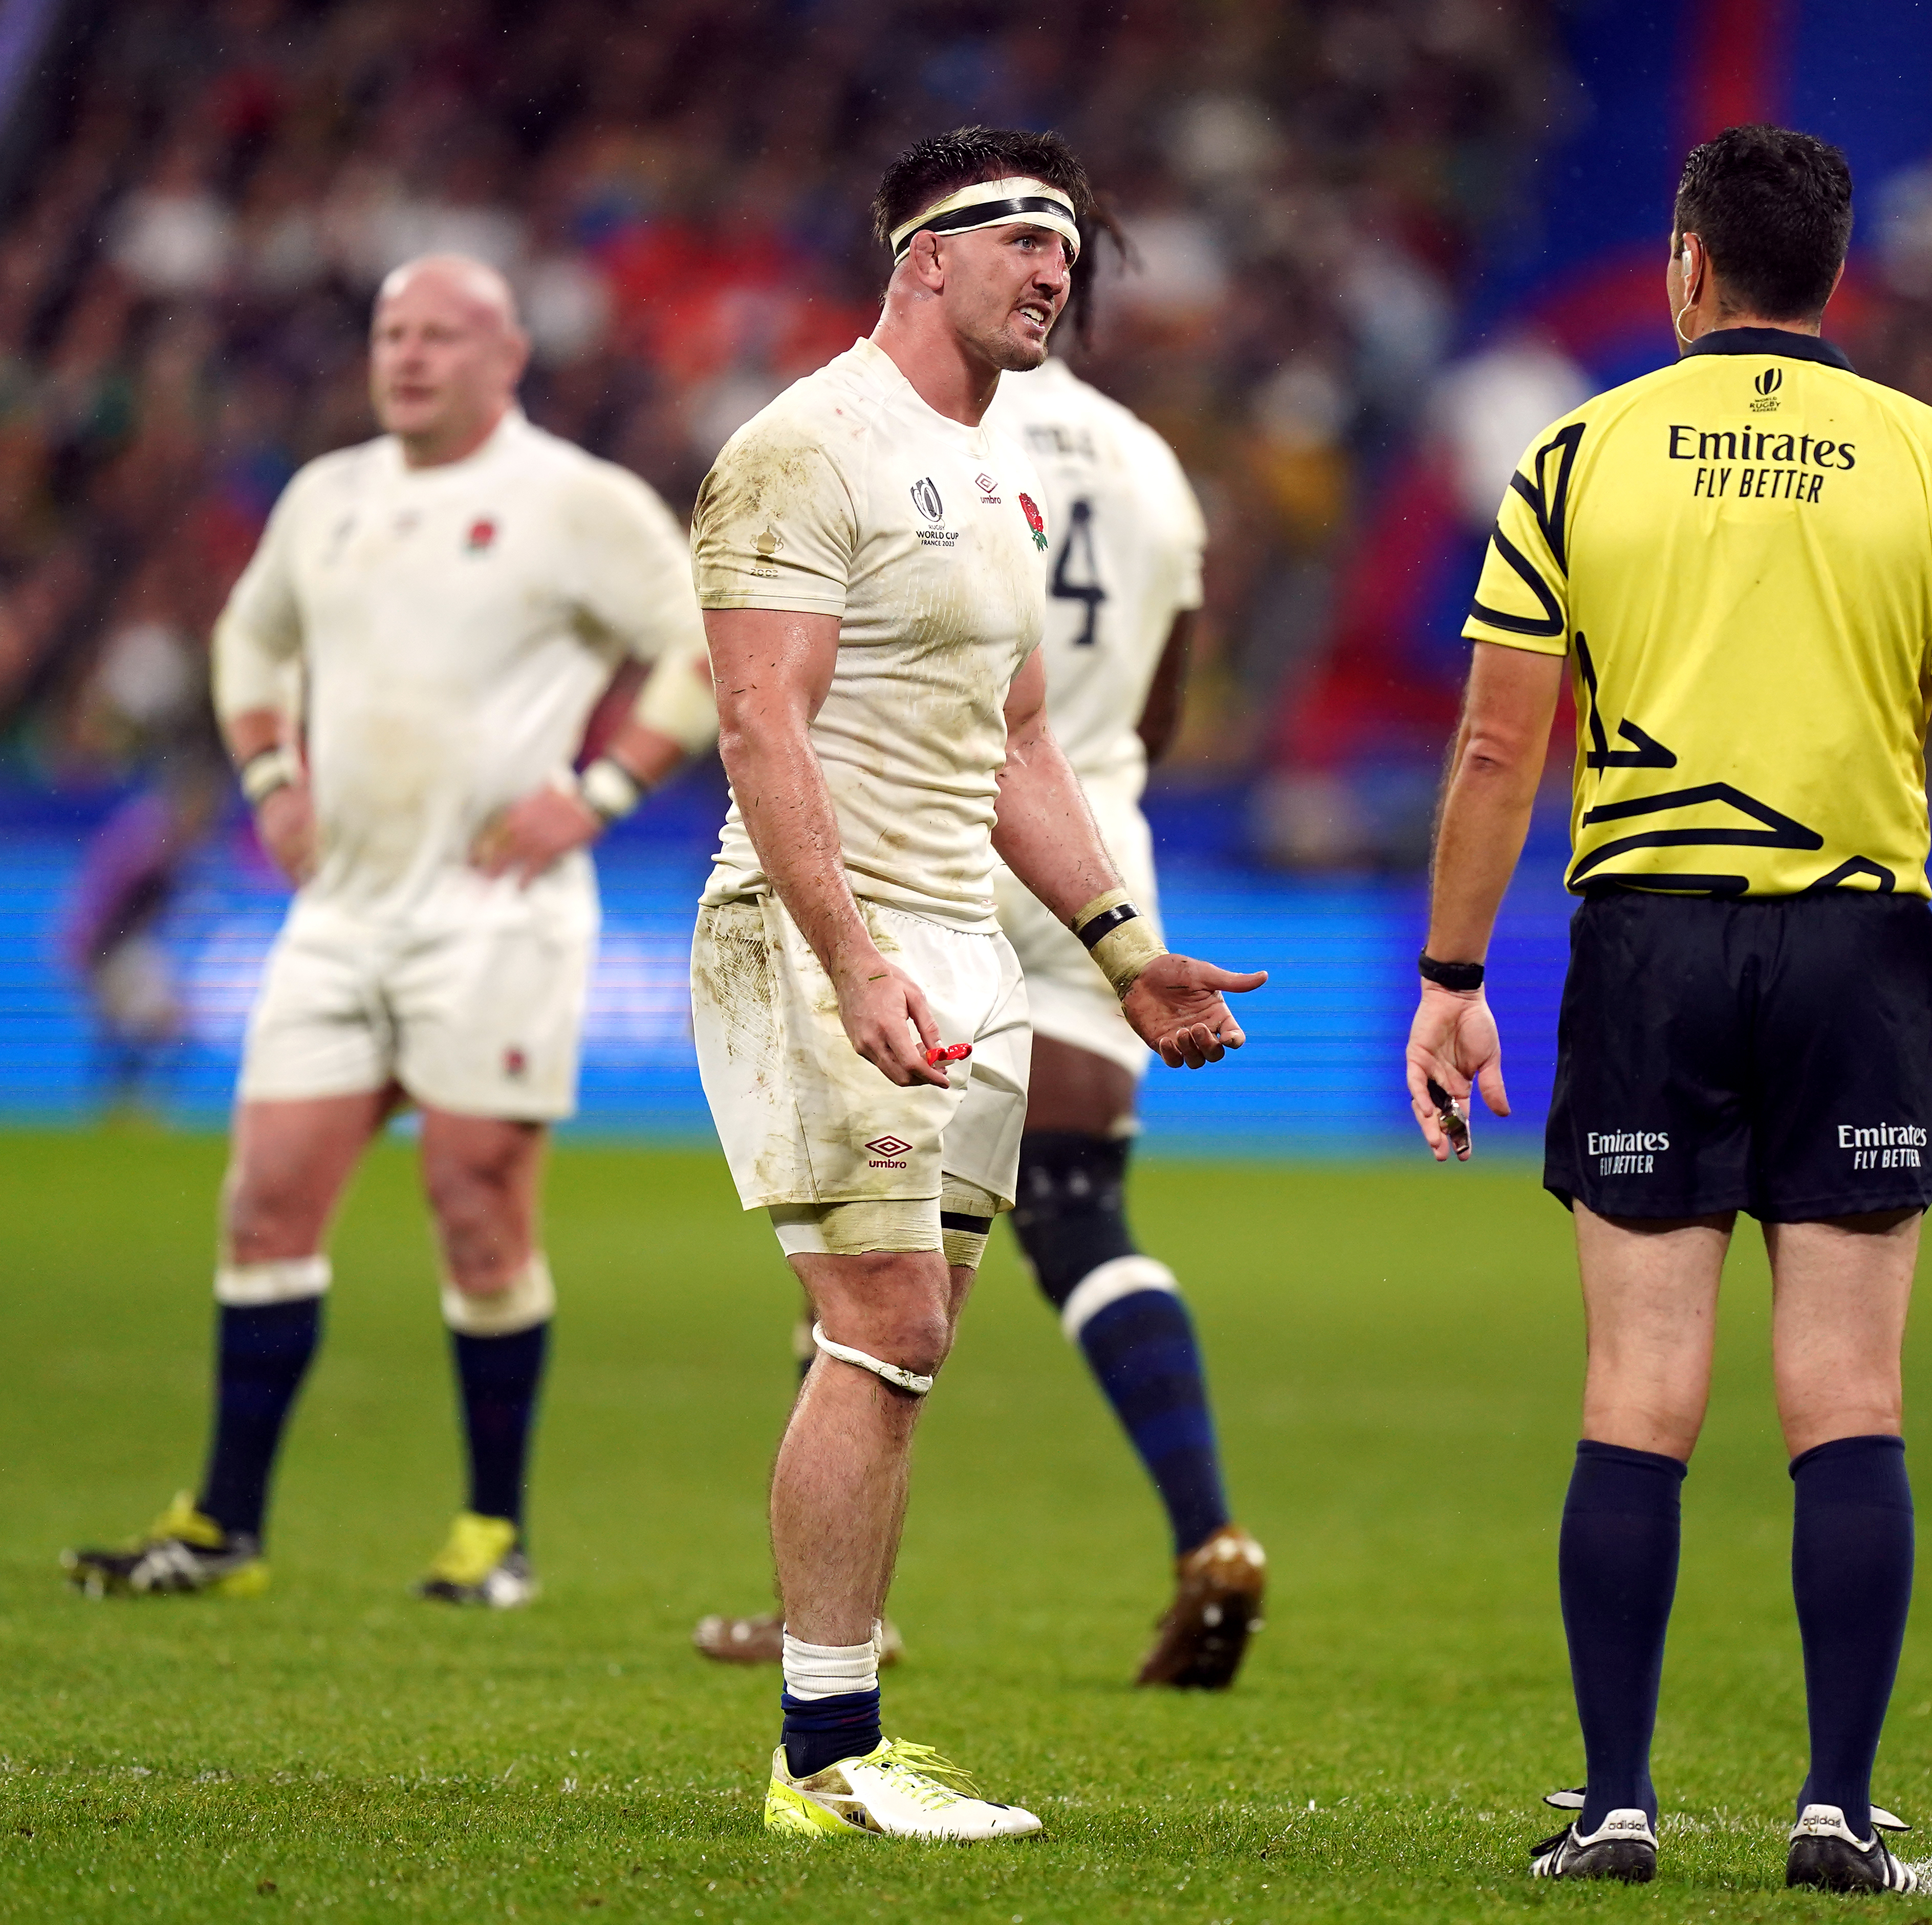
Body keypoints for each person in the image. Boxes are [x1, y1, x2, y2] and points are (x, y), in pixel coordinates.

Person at [1403, 126, 1932, 1894]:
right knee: (1845, 1389)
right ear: (1832, 274)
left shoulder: (1576, 449)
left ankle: (1615, 1808)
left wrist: (1453, 978)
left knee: (1638, 1388)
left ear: (1688, 265)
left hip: (1648, 943)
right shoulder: (1930, 459)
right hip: (1854, 944)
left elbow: (1490, 741)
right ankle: (1835, 1810)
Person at [687, 127, 1264, 1844]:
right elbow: (756, 721)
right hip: (830, 928)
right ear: (919, 257)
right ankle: (820, 1760)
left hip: (961, 939)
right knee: (888, 1324)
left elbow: (1019, 745)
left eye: (1070, 249)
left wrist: (1120, 942)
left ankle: (842, 1732)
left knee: (908, 1346)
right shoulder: (802, 448)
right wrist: (848, 954)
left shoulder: (1001, 477)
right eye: (1023, 238)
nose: (1054, 271)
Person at [63, 255, 722, 1609]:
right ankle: (223, 1527)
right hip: (341, 912)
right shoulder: (330, 497)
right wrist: (266, 778)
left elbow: (703, 650)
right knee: (262, 1203)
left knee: (476, 1207)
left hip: (496, 915)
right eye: (391, 332)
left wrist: (595, 794)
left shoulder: (576, 503)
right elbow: (250, 646)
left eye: (441, 335)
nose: (409, 355)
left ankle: (492, 1532)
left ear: (508, 353)